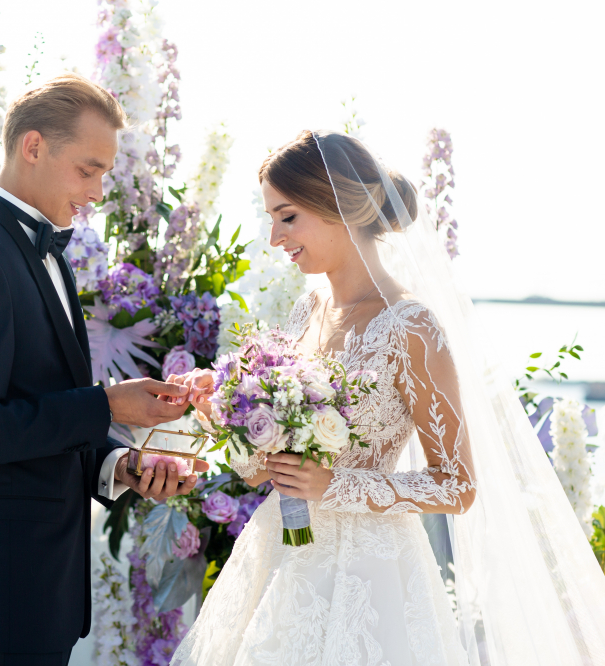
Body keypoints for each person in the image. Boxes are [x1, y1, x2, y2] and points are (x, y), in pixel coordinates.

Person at [168, 130, 605, 665]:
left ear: (339, 207)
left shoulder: (411, 326)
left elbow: (458, 484)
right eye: (271, 219)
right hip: (280, 564)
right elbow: (263, 472)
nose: (275, 237)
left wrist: (335, 485)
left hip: (370, 579)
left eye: (288, 217)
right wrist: (224, 414)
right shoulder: (306, 311)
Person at [0, 73, 207, 666]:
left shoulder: (44, 253)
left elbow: (39, 404)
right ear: (33, 147)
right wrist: (107, 404)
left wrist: (119, 464)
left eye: (104, 174)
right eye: (87, 170)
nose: (97, 192)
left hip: (39, 598)